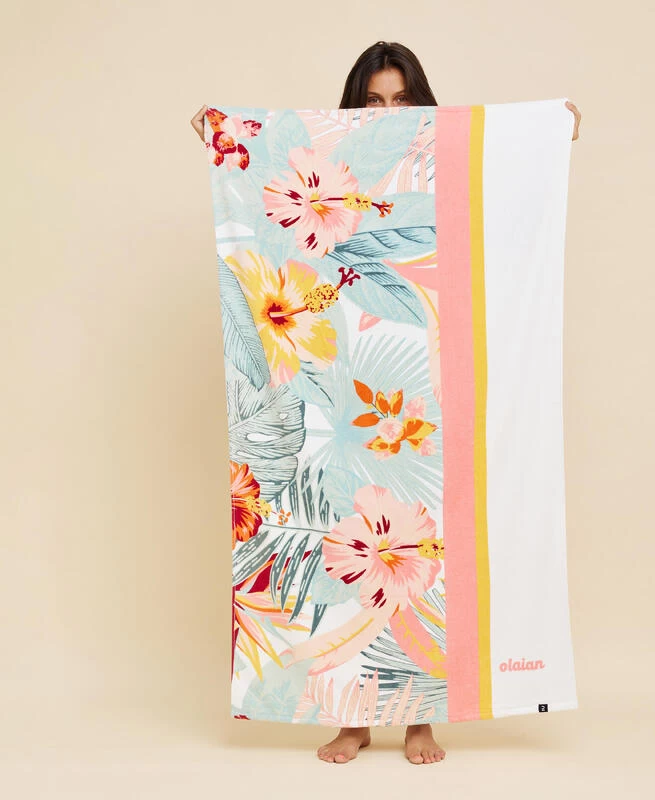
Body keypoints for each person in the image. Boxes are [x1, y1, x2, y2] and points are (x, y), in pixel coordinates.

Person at [191, 41, 581, 766]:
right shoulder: (333, 166)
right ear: (353, 107)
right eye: (373, 102)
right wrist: (220, 133)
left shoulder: (445, 162)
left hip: (426, 374)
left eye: (401, 100)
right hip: (343, 363)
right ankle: (352, 718)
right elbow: (271, 189)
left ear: (422, 102)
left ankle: (423, 718)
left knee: (418, 538)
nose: (389, 113)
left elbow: (505, 193)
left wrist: (548, 132)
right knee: (349, 531)